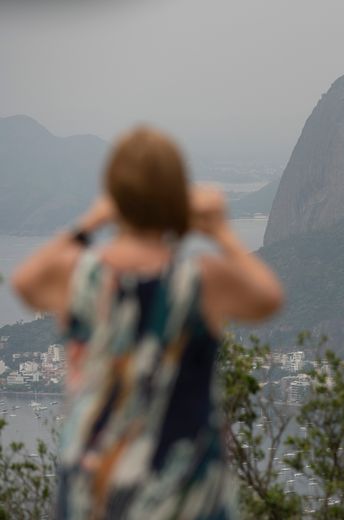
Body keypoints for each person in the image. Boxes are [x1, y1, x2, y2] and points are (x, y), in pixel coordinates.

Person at [12, 127, 284, 519]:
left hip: (94, 481)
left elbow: (25, 282)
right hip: (181, 486)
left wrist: (88, 223)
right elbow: (268, 297)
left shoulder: (83, 274)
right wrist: (221, 231)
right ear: (176, 196)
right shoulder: (199, 280)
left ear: (115, 196)